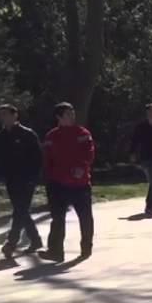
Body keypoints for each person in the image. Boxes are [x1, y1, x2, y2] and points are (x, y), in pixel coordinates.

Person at [39, 102, 95, 262]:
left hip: (80, 183)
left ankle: (86, 247)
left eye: (73, 113)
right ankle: (56, 251)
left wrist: (81, 167)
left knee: (85, 217)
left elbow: (89, 153)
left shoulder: (82, 133)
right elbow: (47, 158)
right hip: (57, 184)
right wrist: (48, 177)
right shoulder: (51, 136)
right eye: (68, 114)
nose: (72, 116)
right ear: (59, 117)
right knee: (57, 219)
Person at [0, 104, 43, 257]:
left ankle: (11, 242)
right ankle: (35, 239)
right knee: (21, 210)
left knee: (20, 210)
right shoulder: (0, 137)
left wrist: (35, 177)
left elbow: (38, 158)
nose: (3, 118)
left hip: (27, 179)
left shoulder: (27, 134)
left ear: (15, 115)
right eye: (1, 115)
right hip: (11, 179)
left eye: (6, 114)